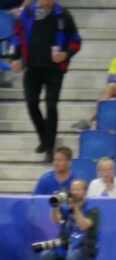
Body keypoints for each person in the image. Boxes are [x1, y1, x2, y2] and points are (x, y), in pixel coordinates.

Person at [11, 0, 82, 161]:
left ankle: (50, 148)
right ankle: (45, 137)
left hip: (54, 69)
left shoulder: (62, 15)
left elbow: (76, 40)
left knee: (51, 106)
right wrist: (16, 57)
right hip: (32, 67)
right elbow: (18, 36)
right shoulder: (28, 13)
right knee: (31, 103)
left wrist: (66, 54)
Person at [38, 179, 99, 260]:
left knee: (73, 257)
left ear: (85, 192)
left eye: (78, 189)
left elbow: (84, 226)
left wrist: (75, 208)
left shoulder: (92, 210)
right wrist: (55, 207)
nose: (74, 192)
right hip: (67, 246)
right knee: (45, 255)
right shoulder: (67, 209)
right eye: (73, 189)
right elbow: (56, 220)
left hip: (86, 248)